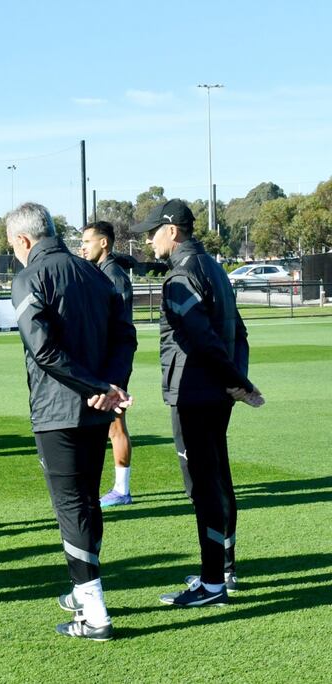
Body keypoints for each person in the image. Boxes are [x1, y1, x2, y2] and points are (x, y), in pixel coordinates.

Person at [7, 202, 137, 641]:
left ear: (24, 241)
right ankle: (86, 594)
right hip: (95, 408)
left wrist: (97, 386)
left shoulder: (30, 277)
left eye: (12, 246)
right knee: (85, 502)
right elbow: (126, 336)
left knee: (72, 506)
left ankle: (94, 610)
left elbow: (43, 352)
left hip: (59, 410)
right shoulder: (97, 274)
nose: (14, 254)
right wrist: (110, 385)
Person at [130, 199, 264, 607]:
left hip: (194, 393)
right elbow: (238, 332)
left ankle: (211, 584)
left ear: (172, 231)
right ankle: (224, 568)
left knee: (203, 487)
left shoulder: (181, 277)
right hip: (217, 393)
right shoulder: (213, 269)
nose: (148, 241)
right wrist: (236, 383)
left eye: (152, 233)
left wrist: (236, 382)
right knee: (219, 478)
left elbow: (203, 338)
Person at [79, 221, 138, 508]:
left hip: (112, 367)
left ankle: (122, 490)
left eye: (87, 241)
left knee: (115, 426)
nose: (82, 247)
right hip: (102, 364)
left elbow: (122, 330)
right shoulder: (100, 273)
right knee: (106, 426)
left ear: (104, 243)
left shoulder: (113, 276)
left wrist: (116, 374)